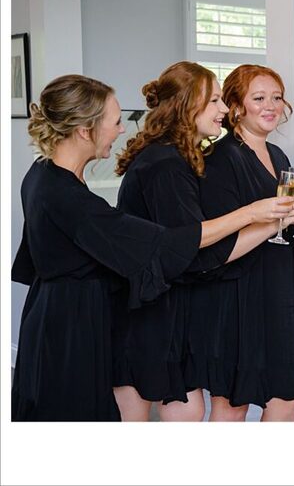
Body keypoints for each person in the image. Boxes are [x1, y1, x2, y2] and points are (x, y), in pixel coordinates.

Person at [11, 74, 256, 421]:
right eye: (114, 122)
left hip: (54, 313)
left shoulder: (42, 173)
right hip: (70, 329)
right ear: (85, 130)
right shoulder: (65, 195)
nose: (122, 130)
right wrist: (252, 214)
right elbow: (163, 243)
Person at [111, 62, 294, 421]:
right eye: (215, 101)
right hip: (150, 309)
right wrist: (259, 214)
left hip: (171, 306)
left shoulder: (182, 157)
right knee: (178, 414)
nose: (223, 110)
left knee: (188, 411)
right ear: (187, 104)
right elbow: (192, 242)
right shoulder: (168, 163)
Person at [187, 64, 294, 422]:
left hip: (280, 290)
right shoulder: (220, 159)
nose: (271, 105)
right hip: (237, 296)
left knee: (286, 400)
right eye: (259, 98)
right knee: (233, 404)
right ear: (236, 107)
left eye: (276, 97)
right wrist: (279, 219)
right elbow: (218, 246)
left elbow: (290, 226)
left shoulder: (279, 157)